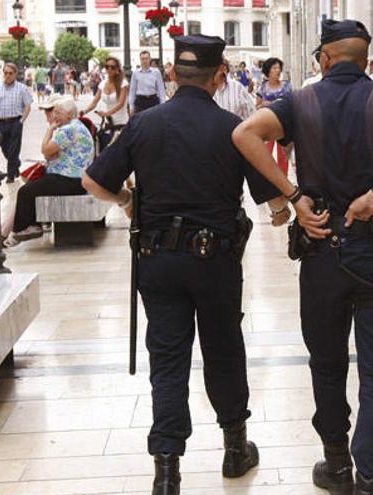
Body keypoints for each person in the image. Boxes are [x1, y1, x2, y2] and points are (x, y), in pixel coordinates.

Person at [232, 19, 373, 495]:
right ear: (366, 58)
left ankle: (336, 464)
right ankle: (370, 476)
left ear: (324, 59)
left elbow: (245, 134)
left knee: (326, 363)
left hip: (323, 252)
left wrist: (292, 194)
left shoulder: (299, 101)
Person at [82, 34, 290, 495]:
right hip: (215, 261)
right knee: (224, 350)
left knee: (169, 359)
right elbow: (274, 197)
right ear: (220, 76)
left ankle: (168, 470)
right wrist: (280, 212)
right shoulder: (233, 129)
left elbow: (92, 181)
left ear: (172, 74)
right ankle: (236, 448)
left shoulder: (143, 123)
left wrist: (126, 199)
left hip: (157, 260)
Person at [3, 97, 94, 247]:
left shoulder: (68, 129)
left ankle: (24, 228)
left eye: (58, 112)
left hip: (68, 180)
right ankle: (28, 226)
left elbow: (45, 150)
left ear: (70, 114)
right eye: (54, 112)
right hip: (75, 179)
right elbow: (49, 154)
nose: (55, 116)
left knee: (25, 191)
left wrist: (49, 130)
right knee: (35, 187)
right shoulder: (77, 126)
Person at [0, 63, 33, 183]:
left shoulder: (22, 88)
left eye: (10, 73)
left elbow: (28, 106)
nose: (7, 75)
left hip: (15, 121)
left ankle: (10, 176)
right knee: (5, 148)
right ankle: (16, 164)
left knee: (14, 149)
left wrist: (21, 121)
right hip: (1, 123)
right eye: (5, 73)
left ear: (15, 74)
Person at [80, 57, 129, 153]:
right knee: (106, 152)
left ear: (118, 69)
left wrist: (107, 113)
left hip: (121, 123)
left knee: (120, 153)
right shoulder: (102, 84)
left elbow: (121, 103)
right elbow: (95, 101)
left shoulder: (123, 83)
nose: (109, 69)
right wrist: (84, 111)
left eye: (112, 67)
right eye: (107, 67)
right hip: (108, 124)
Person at [255, 57, 292, 175]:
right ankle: (269, 181)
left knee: (283, 156)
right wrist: (262, 105)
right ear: (268, 71)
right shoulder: (263, 88)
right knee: (266, 154)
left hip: (283, 125)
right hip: (266, 125)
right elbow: (257, 106)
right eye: (274, 68)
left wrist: (271, 104)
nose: (278, 70)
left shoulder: (286, 86)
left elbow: (291, 104)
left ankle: (284, 182)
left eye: (279, 68)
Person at [129, 50, 167, 115]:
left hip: (153, 100)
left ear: (150, 59)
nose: (144, 61)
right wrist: (131, 106)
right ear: (140, 60)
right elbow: (132, 90)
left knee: (153, 122)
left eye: (146, 58)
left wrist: (163, 104)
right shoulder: (135, 73)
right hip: (140, 101)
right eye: (142, 59)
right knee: (141, 123)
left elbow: (161, 89)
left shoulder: (156, 72)